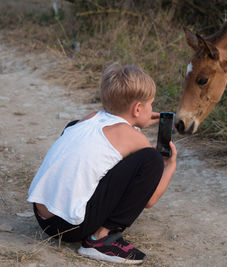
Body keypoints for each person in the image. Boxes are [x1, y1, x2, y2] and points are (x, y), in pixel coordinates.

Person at [27, 64, 177, 264]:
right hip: (69, 228)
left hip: (43, 218)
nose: (152, 110)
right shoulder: (134, 139)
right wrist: (169, 166)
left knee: (74, 131)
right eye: (150, 104)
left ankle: (73, 207)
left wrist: (137, 120)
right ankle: (100, 240)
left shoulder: (89, 119)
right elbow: (149, 200)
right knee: (151, 159)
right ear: (138, 108)